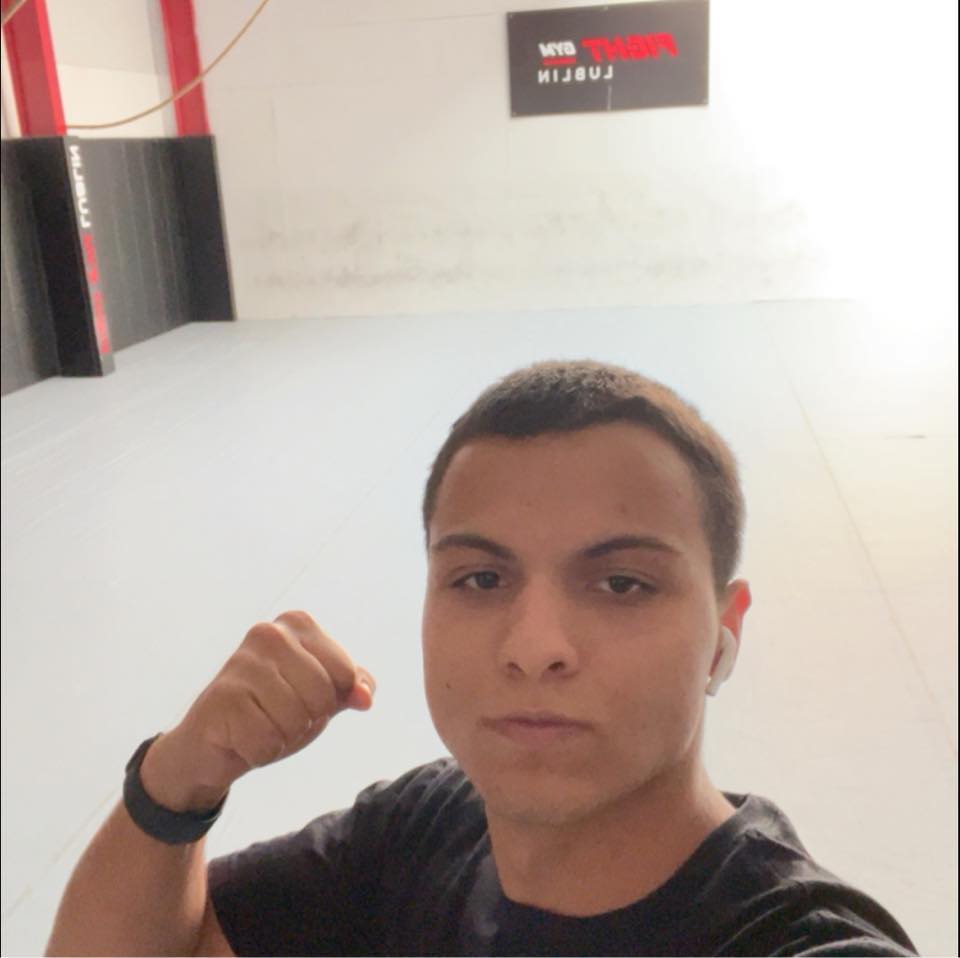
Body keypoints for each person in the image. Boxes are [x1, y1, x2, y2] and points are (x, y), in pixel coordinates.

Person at [46, 359, 918, 957]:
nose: (534, 647)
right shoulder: (424, 831)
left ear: (724, 632)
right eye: (481, 578)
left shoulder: (788, 940)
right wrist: (178, 782)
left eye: (621, 583)